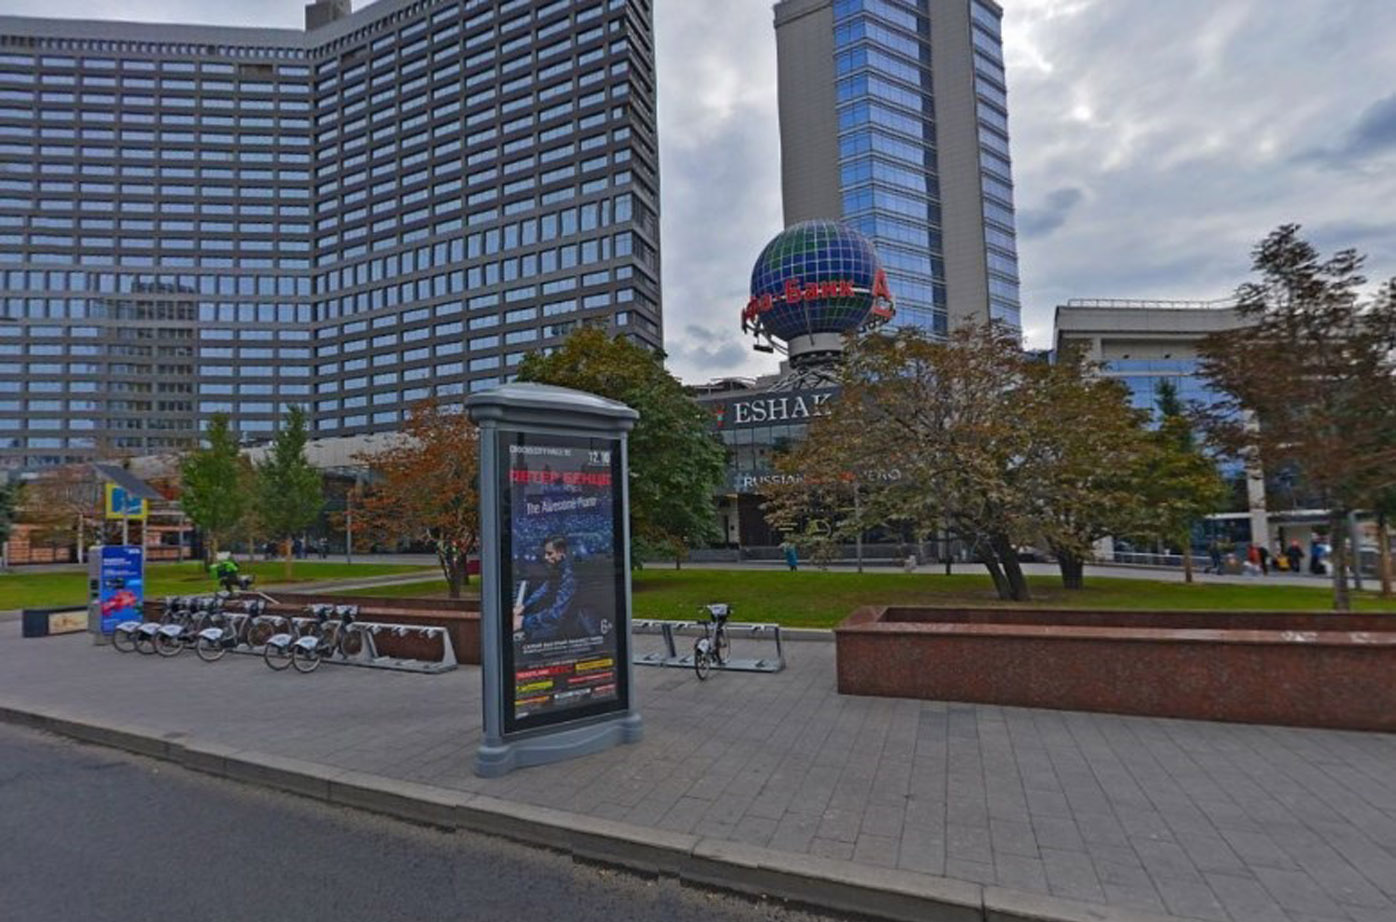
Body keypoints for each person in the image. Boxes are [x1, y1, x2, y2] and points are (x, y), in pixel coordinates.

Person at [513, 536, 591, 642]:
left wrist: (523, 622)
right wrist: (524, 606)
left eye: (549, 553)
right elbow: (545, 588)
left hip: (568, 627)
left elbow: (556, 614)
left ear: (560, 552)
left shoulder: (570, 576)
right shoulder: (559, 567)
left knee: (527, 640)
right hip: (559, 618)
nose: (546, 557)